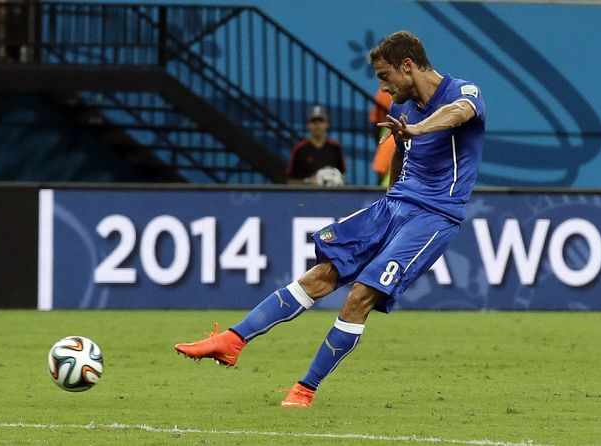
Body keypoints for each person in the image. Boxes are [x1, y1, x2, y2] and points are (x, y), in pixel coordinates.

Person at [174, 30, 485, 408]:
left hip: (434, 216)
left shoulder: (464, 92)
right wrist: (392, 188)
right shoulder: (401, 110)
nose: (383, 88)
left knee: (359, 297)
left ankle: (304, 390)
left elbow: (456, 115)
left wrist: (418, 129)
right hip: (394, 206)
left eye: (385, 76)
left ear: (407, 65)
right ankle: (232, 341)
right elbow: (401, 152)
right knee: (319, 274)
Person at [285, 105, 346, 186]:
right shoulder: (299, 149)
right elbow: (289, 182)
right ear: (308, 125)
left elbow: (341, 176)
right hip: (306, 196)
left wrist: (339, 181)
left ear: (327, 124)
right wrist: (307, 182)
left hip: (332, 196)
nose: (317, 125)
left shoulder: (335, 148)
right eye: (313, 121)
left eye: (321, 121)